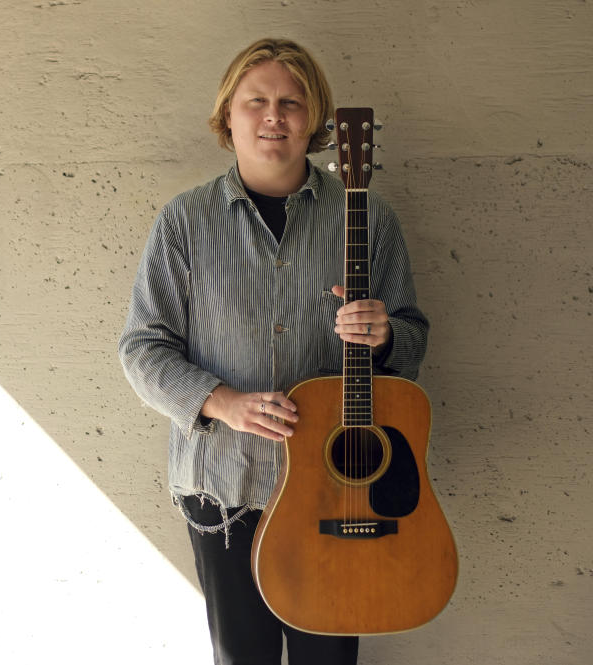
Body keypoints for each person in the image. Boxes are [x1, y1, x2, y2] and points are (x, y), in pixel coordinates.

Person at [118, 38, 429, 665]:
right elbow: (142, 348)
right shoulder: (184, 223)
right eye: (255, 100)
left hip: (337, 490)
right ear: (226, 116)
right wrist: (222, 402)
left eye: (292, 102)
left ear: (314, 120)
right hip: (224, 487)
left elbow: (413, 337)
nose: (273, 116)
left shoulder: (366, 218)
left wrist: (386, 335)